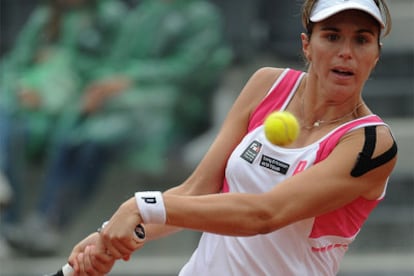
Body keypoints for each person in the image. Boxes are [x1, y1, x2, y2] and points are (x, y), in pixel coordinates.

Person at [66, 0, 398, 275]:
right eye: (332, 36)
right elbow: (196, 191)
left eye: (362, 39)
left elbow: (265, 215)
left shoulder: (370, 144)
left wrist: (143, 206)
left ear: (376, 55)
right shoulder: (266, 84)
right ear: (307, 45)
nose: (346, 52)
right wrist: (108, 237)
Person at [3, 0, 232, 256]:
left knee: (95, 139)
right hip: (128, 106)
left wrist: (130, 79)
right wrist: (102, 86)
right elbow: (116, 60)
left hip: (174, 109)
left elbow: (192, 68)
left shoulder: (199, 15)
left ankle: (51, 222)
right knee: (75, 132)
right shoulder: (146, 12)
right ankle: (45, 220)